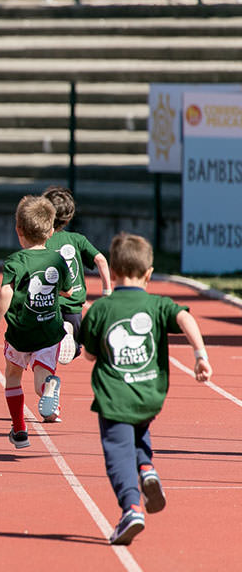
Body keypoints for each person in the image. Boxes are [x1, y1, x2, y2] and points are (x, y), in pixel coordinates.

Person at [80, 232, 212, 545]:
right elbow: (185, 317)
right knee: (138, 431)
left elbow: (88, 354)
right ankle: (147, 466)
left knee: (117, 452)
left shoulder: (101, 309)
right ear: (149, 274)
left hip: (115, 398)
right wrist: (200, 354)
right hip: (149, 394)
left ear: (112, 273)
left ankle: (131, 507)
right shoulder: (158, 304)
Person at [0, 196, 73, 448]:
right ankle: (48, 387)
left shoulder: (15, 261)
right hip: (48, 332)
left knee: (12, 376)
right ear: (50, 231)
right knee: (40, 381)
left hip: (20, 333)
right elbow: (67, 291)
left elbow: (5, 292)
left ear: (18, 230)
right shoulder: (57, 260)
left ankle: (20, 429)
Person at [43, 186, 112, 364]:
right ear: (69, 217)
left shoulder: (41, 241)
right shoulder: (77, 239)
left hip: (52, 301)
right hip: (75, 303)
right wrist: (107, 292)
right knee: (74, 349)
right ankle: (70, 339)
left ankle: (57, 340)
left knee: (47, 346)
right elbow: (101, 261)